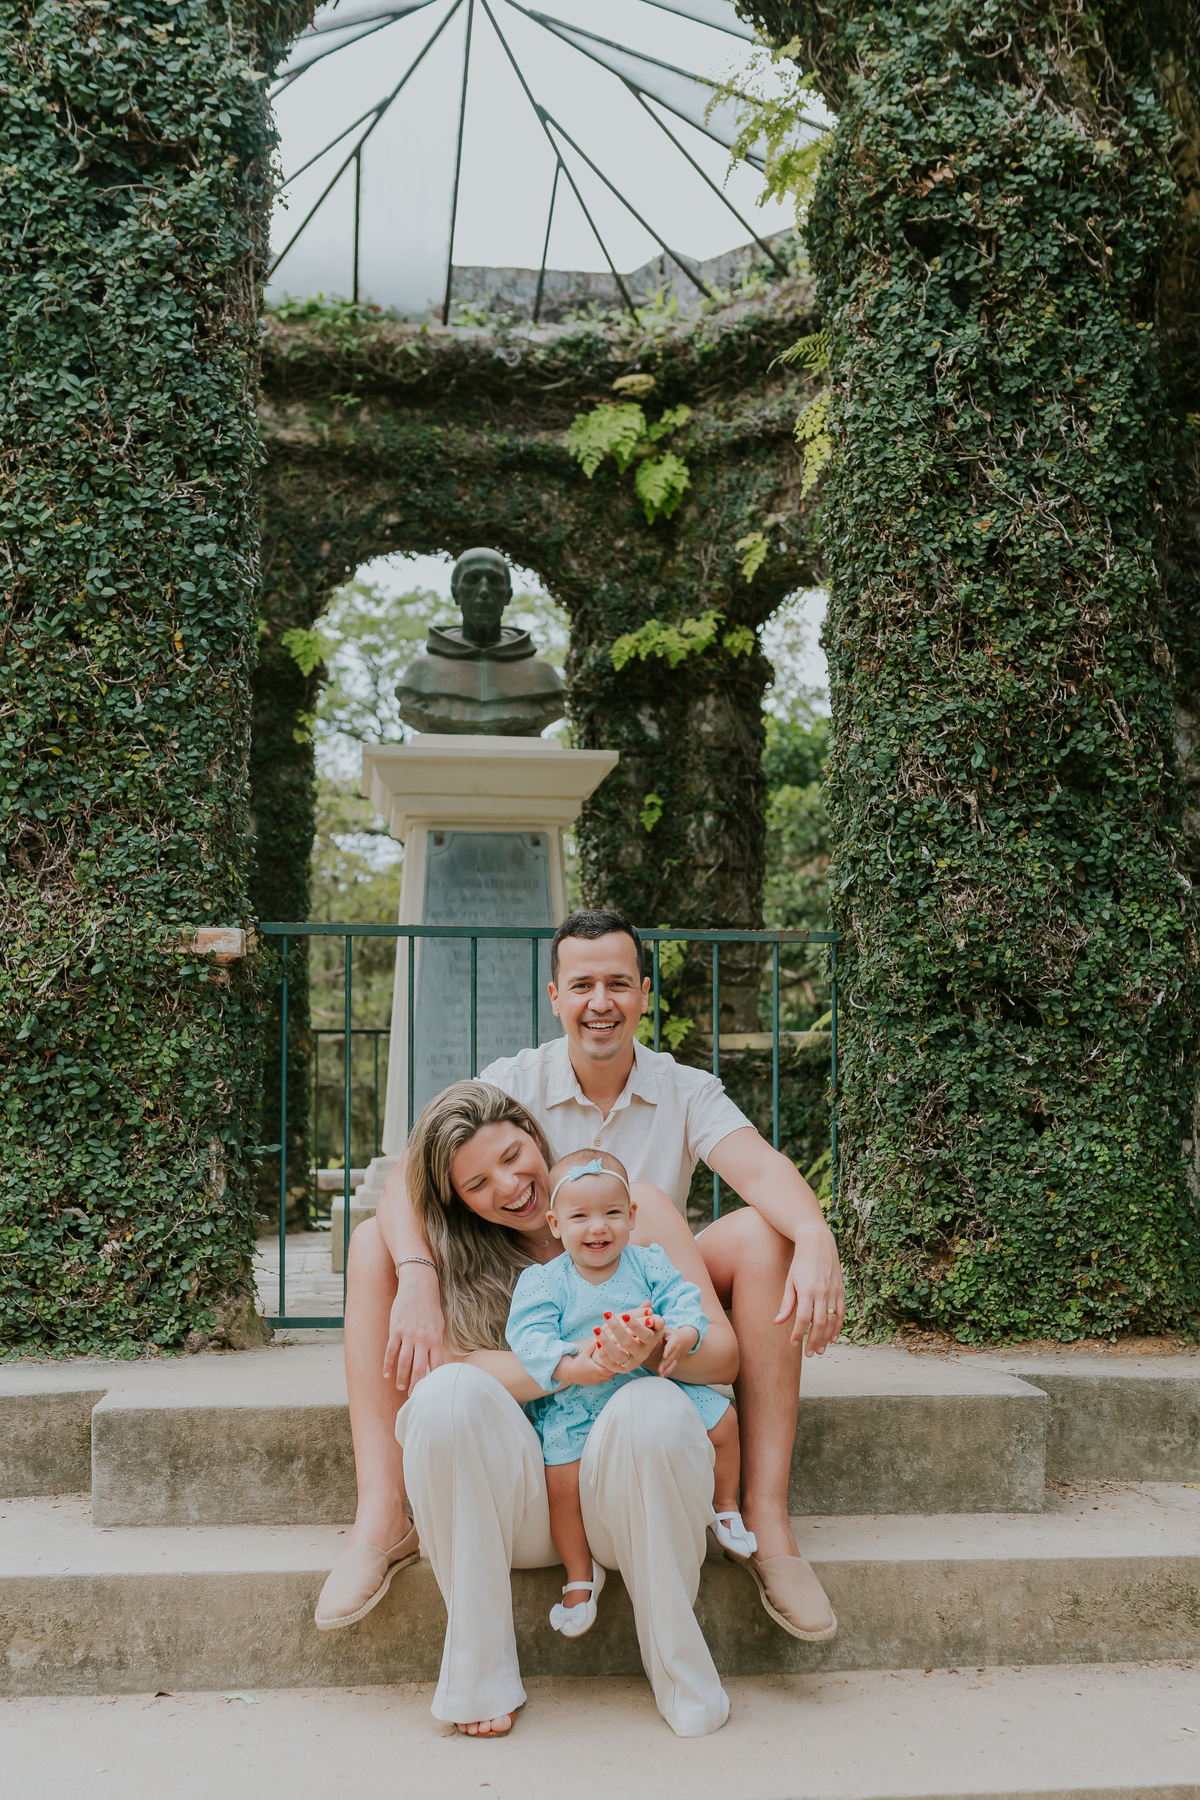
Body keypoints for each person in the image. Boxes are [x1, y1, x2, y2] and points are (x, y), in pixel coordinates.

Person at [322, 908, 844, 1647]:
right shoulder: (514, 1084)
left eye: (618, 983)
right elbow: (412, 1175)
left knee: (769, 1233)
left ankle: (766, 1516)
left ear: (642, 993)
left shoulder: (683, 1087)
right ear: (555, 995)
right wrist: (414, 1274)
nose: (601, 1001)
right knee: (377, 1241)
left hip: (657, 1275)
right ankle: (380, 1511)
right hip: (547, 1294)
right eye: (583, 984)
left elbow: (757, 1165)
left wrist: (816, 1233)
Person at [317, 1081, 740, 1738]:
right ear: (458, 1200)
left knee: (651, 1405)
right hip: (525, 1499)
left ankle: (683, 1673)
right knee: (445, 1396)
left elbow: (726, 1356)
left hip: (631, 1493)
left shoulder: (633, 1209)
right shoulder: (457, 1257)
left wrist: (657, 1347)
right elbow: (457, 1374)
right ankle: (478, 1678)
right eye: (479, 1183)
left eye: (513, 1156)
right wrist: (581, 1362)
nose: (510, 1186)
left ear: (534, 1133)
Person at [505, 1148, 760, 1641]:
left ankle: (726, 1505)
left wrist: (684, 1332)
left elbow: (683, 1298)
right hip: (580, 1400)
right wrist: (569, 1365)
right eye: (580, 1216)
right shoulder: (545, 1281)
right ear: (555, 1224)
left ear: (632, 1217)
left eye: (611, 1214)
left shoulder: (647, 1262)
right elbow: (529, 1335)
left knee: (724, 1423)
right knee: (562, 1485)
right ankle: (580, 1574)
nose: (597, 1228)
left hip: (649, 1386)